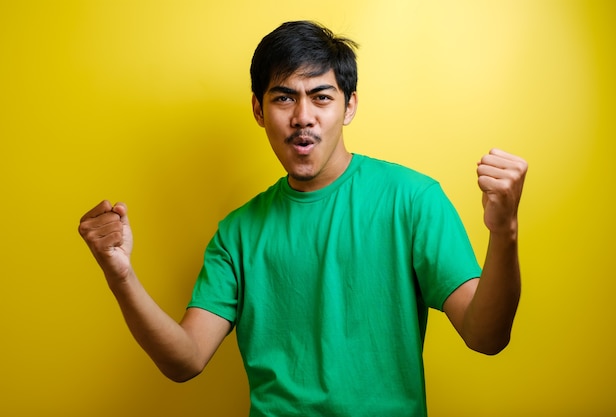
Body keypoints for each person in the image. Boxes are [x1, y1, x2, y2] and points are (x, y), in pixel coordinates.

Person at [78, 20, 528, 417]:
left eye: (321, 97)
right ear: (259, 110)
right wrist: (120, 275)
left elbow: (485, 335)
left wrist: (504, 232)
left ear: (349, 106)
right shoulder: (237, 233)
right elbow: (186, 359)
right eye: (284, 98)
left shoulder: (412, 199)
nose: (302, 117)